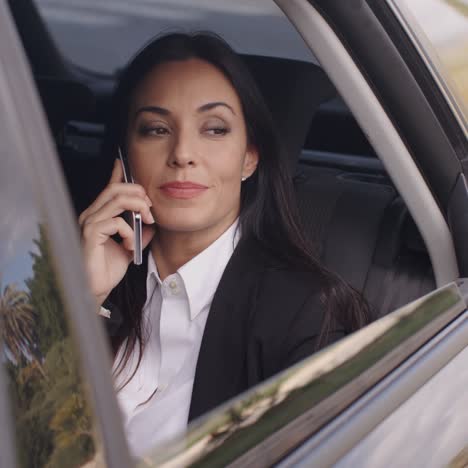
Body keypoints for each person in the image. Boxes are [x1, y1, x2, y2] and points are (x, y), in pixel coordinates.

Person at [78, 32, 370, 457]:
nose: (182, 153)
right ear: (124, 156)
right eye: (156, 129)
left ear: (249, 157)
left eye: (214, 129)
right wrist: (78, 297)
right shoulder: (93, 277)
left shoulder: (307, 315)